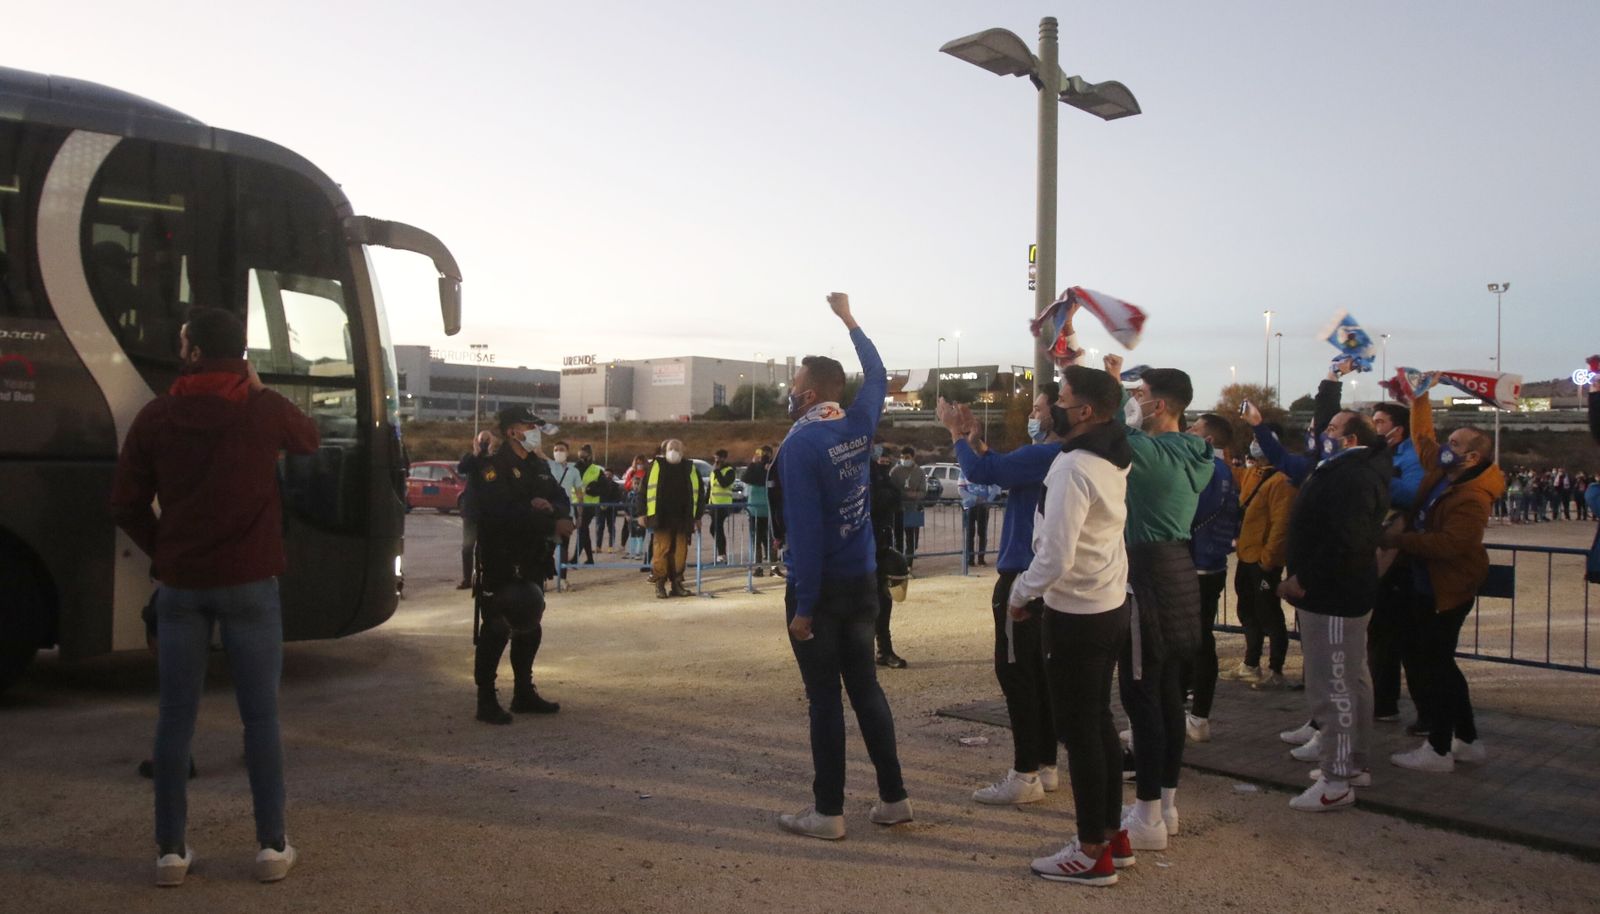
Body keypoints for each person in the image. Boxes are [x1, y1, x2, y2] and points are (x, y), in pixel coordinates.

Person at [110, 307, 318, 886]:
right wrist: (262, 389)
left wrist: (167, 551)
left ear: (194, 351)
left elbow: (124, 503)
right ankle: (272, 847)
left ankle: (170, 853)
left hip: (181, 589)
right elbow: (310, 438)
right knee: (261, 719)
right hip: (251, 585)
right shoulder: (262, 410)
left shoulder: (157, 416)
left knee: (175, 719)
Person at [770, 292, 909, 840]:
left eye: (794, 384)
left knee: (824, 700)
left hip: (821, 591)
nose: (790, 392)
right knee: (868, 689)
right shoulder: (857, 422)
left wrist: (803, 607)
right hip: (863, 581)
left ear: (806, 394)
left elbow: (804, 533)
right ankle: (894, 798)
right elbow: (876, 373)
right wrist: (850, 321)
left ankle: (827, 810)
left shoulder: (800, 446)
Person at [1009, 366, 1134, 886]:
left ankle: (1090, 851)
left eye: (1059, 398)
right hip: (1107, 602)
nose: (1050, 406)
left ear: (1084, 412)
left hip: (1076, 612)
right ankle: (1112, 833)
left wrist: (1020, 595)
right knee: (1098, 723)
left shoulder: (1073, 466)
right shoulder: (1112, 454)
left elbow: (1055, 554)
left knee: (1079, 732)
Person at [1101, 357, 1211, 852]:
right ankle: (1165, 804)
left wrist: (1110, 400)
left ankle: (1146, 814)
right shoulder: (1196, 451)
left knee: (1142, 697)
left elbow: (1110, 435)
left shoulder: (1152, 452)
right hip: (1179, 572)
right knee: (1167, 697)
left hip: (1146, 576)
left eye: (1139, 393)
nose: (1134, 401)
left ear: (1159, 404)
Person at [942, 385, 1065, 807]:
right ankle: (1046, 765)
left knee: (1017, 676)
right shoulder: (1063, 457)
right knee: (1042, 677)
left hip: (1022, 575)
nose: (1031, 414)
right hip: (1046, 579)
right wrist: (977, 442)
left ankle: (1025, 772)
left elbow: (980, 473)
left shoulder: (1046, 454)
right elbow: (997, 464)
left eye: (1037, 407)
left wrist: (957, 436)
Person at [1379, 396, 1502, 772]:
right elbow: (1423, 439)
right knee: (1441, 665)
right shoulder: (1444, 474)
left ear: (1473, 458)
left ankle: (1438, 748)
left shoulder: (1471, 496)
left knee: (1436, 667)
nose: (1447, 447)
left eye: (1457, 444)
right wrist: (1418, 398)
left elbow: (1451, 544)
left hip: (1445, 587)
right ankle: (1466, 740)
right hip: (1427, 582)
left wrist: (1399, 540)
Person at [1278, 409, 1391, 811]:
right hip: (1338, 592)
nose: (1322, 433)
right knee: (1350, 681)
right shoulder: (1346, 469)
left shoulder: (1353, 476)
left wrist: (1303, 579)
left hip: (1333, 595)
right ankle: (1352, 762)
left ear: (1349, 438)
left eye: (1331, 428)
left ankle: (1337, 779)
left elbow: (1346, 540)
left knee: (1334, 687)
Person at [463, 406, 575, 725]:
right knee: (497, 627)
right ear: (513, 431)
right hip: (501, 556)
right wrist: (547, 523)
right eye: (530, 426)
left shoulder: (538, 466)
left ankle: (523, 692)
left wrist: (555, 509)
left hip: (531, 556)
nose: (535, 431)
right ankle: (486, 699)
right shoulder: (493, 468)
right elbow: (501, 512)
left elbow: (559, 497)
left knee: (530, 620)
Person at [1221, 422, 1297, 687]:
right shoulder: (1254, 473)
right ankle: (1251, 664)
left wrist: (1269, 559)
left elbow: (1281, 524)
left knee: (1270, 615)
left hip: (1264, 560)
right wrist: (1222, 444)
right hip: (1246, 555)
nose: (1255, 443)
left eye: (1260, 439)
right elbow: (1233, 473)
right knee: (1247, 611)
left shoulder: (1282, 481)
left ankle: (1276, 669)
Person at [1184, 413, 1241, 742]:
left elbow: (1187, 513)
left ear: (1207, 440)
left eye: (1194, 429)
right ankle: (1195, 713)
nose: (1187, 432)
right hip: (1210, 562)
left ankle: (1195, 713)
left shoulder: (1207, 470)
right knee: (1199, 640)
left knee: (1194, 643)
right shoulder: (1224, 471)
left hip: (1197, 564)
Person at [645, 438, 704, 598]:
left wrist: (698, 516)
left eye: (677, 449)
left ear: (683, 452)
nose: (674, 451)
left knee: (680, 553)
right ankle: (660, 584)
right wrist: (642, 513)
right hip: (661, 518)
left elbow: (700, 493)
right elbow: (644, 490)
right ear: (665, 451)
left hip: (683, 519)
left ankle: (677, 584)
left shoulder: (690, 468)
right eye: (671, 448)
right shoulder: (656, 466)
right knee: (661, 551)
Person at [868, 444, 907, 668]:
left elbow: (894, 497)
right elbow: (876, 501)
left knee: (884, 600)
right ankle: (866, 652)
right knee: (865, 604)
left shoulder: (882, 476)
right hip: (862, 548)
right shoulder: (863, 476)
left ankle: (884, 649)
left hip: (881, 545)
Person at [457, 430, 492, 589]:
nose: (483, 443)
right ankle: (466, 578)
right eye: (481, 440)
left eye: (487, 440)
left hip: (488, 511)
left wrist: (487, 456)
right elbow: (462, 468)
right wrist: (476, 454)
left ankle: (485, 577)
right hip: (471, 511)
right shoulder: (469, 458)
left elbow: (491, 477)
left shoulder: (493, 460)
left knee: (486, 547)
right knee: (467, 546)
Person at [546, 442, 584, 583]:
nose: (558, 452)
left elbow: (580, 494)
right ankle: (545, 577)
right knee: (547, 547)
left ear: (568, 452)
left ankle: (562, 579)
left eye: (561, 450)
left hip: (566, 512)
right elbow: (537, 451)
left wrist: (580, 514)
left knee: (563, 546)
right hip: (549, 511)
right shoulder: (548, 466)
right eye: (555, 450)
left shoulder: (574, 470)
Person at [888, 447, 927, 566]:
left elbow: (923, 492)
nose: (905, 460)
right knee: (897, 538)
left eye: (907, 457)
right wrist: (901, 494)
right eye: (902, 457)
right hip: (898, 509)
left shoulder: (920, 472)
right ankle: (898, 563)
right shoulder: (895, 471)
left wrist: (914, 495)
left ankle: (909, 564)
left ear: (913, 457)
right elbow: (890, 489)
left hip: (913, 509)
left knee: (911, 539)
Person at [742, 446, 777, 576]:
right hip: (763, 509)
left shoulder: (761, 469)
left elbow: (745, 478)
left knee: (761, 540)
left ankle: (762, 567)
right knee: (767, 540)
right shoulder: (771, 469)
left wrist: (753, 463)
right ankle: (770, 568)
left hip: (758, 509)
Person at [959, 470, 999, 568]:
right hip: (969, 506)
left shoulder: (985, 470)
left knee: (982, 533)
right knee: (969, 533)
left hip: (983, 506)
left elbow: (995, 487)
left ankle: (981, 558)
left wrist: (988, 501)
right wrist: (974, 498)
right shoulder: (964, 471)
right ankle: (970, 559)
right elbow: (961, 489)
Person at [573, 444, 603, 564]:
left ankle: (575, 557)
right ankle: (589, 558)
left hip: (589, 505)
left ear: (590, 456)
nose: (582, 459)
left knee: (582, 530)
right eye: (580, 456)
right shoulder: (576, 468)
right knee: (584, 530)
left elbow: (604, 487)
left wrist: (591, 489)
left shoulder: (596, 470)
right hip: (577, 503)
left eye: (584, 456)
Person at [708, 449, 738, 564]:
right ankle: (721, 553)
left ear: (724, 459)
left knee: (718, 528)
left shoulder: (729, 471)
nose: (716, 461)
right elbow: (710, 488)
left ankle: (722, 555)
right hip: (713, 505)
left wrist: (717, 472)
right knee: (713, 529)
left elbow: (724, 483)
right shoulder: (714, 471)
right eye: (715, 458)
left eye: (718, 458)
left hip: (723, 505)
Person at [621, 454, 651, 560]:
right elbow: (626, 485)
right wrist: (626, 513)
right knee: (631, 532)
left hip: (640, 508)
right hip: (631, 511)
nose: (639, 465)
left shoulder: (647, 473)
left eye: (641, 463)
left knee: (640, 532)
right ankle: (630, 550)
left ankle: (639, 551)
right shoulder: (631, 472)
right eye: (637, 463)